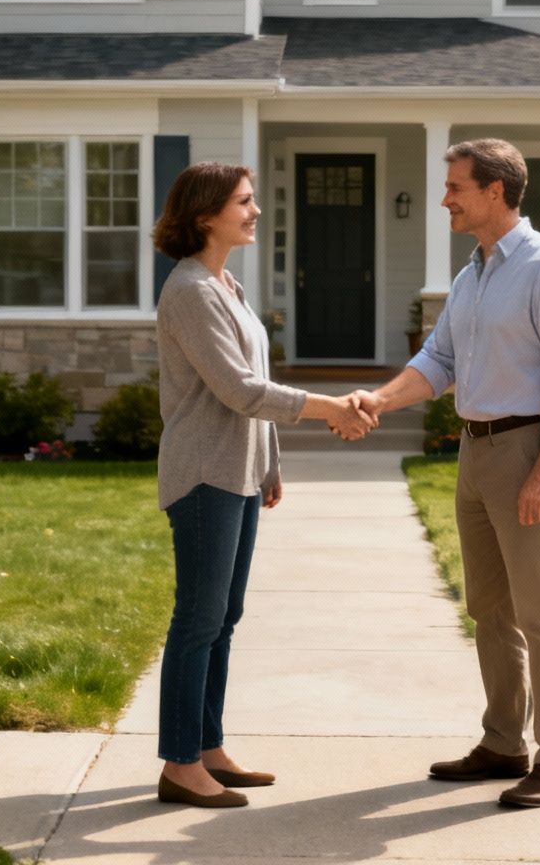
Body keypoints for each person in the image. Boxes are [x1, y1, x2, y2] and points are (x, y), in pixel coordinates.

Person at [349, 139, 540, 809]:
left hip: (526, 449)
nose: (444, 199)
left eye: (456, 187)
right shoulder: (472, 276)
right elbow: (437, 361)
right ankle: (503, 743)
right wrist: (377, 399)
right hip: (474, 450)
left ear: (495, 190)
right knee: (489, 608)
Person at [151, 162, 376, 808]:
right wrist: (332, 408)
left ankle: (208, 747)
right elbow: (239, 390)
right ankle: (179, 763)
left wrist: (270, 464)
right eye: (244, 203)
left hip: (239, 472)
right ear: (204, 215)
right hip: (203, 474)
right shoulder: (191, 290)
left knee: (223, 619)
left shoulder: (228, 286)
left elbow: (253, 379)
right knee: (198, 619)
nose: (254, 212)